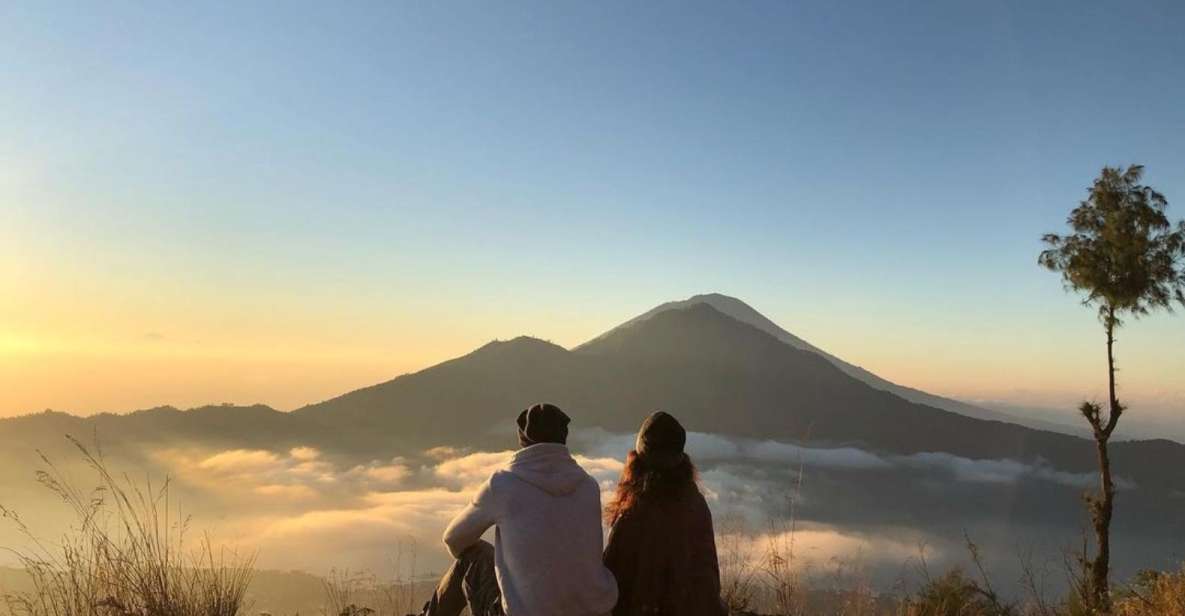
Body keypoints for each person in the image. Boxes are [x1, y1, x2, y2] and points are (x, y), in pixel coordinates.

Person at [417, 403, 619, 616]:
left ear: (522, 439)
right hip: (593, 611)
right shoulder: (589, 485)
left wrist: (507, 569)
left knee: (472, 556)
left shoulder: (503, 484)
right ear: (564, 437)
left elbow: (454, 539)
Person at [602, 411, 727, 616]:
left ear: (638, 460)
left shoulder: (635, 512)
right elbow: (708, 578)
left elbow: (611, 579)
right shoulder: (696, 504)